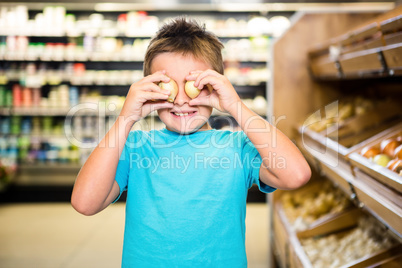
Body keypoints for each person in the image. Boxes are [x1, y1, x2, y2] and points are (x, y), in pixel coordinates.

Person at [71, 17, 311, 267]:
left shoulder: (237, 147)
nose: (181, 100)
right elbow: (85, 203)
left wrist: (235, 106)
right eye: (167, 85)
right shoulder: (135, 146)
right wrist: (125, 118)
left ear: (216, 86)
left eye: (194, 85)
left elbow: (296, 175)